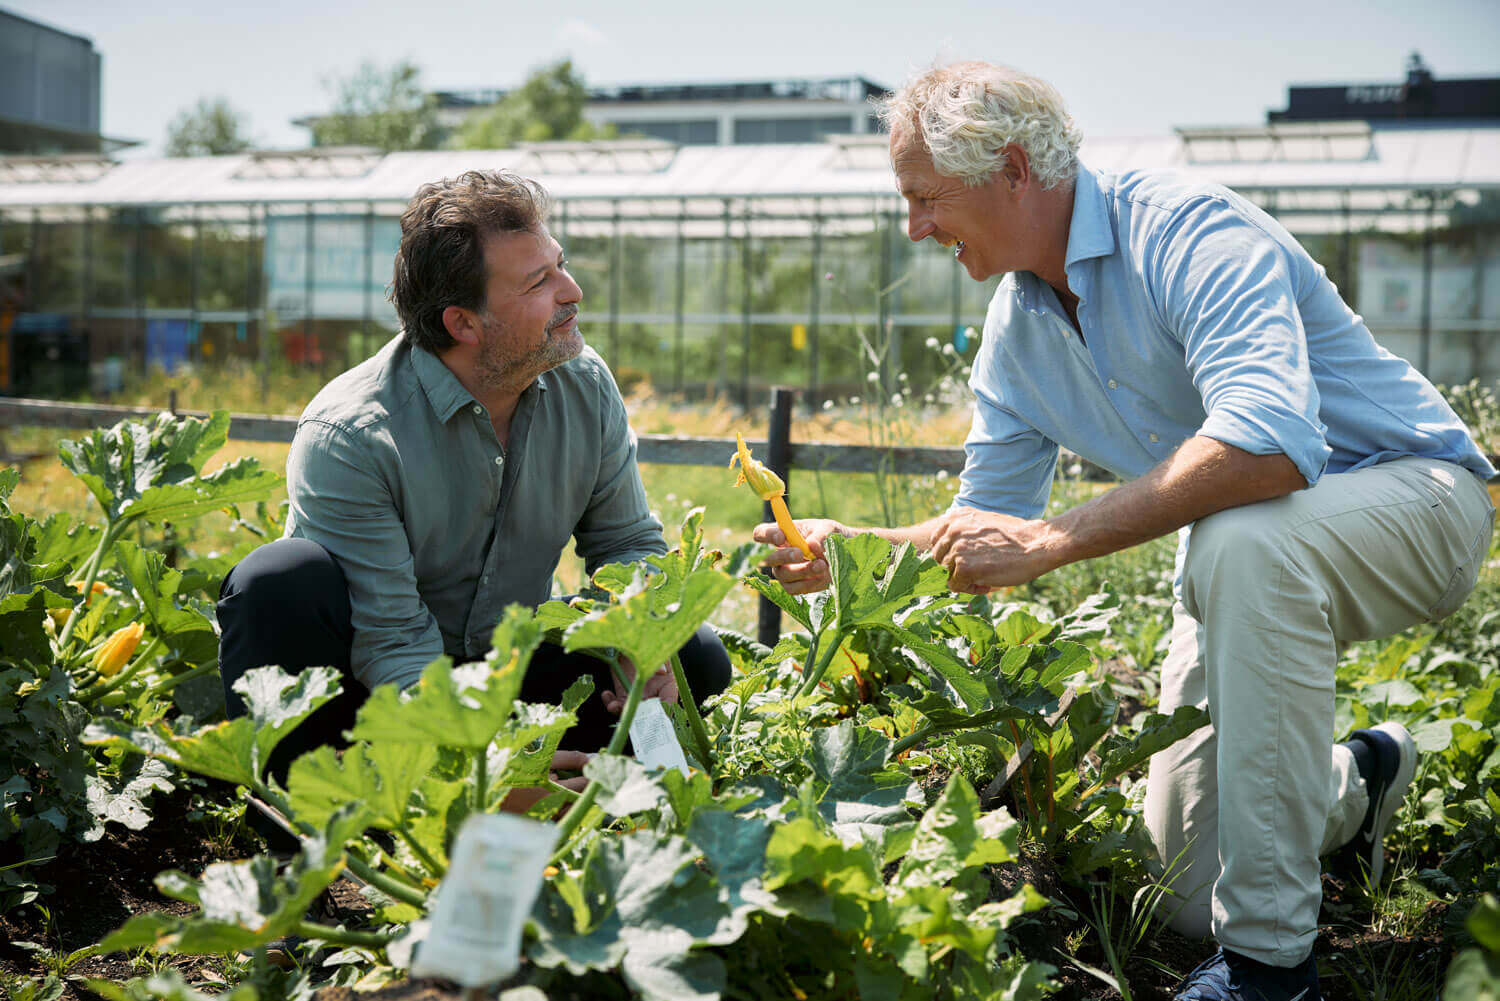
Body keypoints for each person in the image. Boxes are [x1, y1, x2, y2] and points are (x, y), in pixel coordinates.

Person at [755, 63, 1495, 1001]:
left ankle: (1274, 968)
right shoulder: (1017, 327)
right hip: (1247, 554)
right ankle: (1361, 779)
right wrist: (847, 546)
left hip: (1417, 500)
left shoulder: (1187, 229)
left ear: (1013, 169)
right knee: (1188, 887)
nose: (915, 228)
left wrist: (1053, 542)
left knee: (1241, 543)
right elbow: (991, 525)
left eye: (926, 198)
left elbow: (1267, 446)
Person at [218, 170, 732, 807]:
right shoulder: (351, 434)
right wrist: (479, 770)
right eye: (538, 283)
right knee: (278, 581)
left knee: (697, 656)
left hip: (502, 668)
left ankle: (556, 783)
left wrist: (636, 639)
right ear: (463, 323)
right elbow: (395, 642)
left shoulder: (584, 383)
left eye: (560, 265)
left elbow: (626, 541)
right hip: (376, 689)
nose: (572, 292)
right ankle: (337, 801)